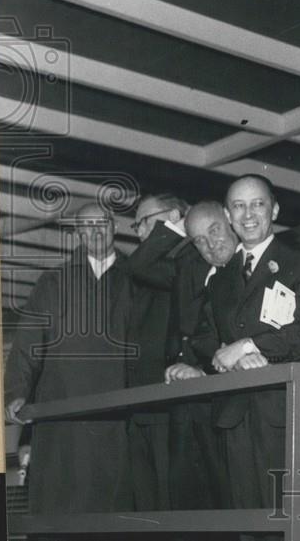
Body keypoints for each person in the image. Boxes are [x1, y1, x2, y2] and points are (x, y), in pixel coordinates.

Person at [204, 175, 300, 525]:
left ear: (273, 209)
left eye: (257, 204)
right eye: (238, 206)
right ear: (228, 215)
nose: (248, 214)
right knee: (246, 523)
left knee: (288, 522)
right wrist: (222, 357)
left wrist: (249, 346)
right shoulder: (219, 280)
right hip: (234, 413)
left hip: (285, 410)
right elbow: (208, 340)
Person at [5, 203, 134, 514]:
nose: (94, 230)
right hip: (63, 412)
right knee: (62, 506)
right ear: (77, 233)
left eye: (100, 223)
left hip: (122, 415)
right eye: (85, 225)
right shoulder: (52, 283)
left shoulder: (138, 279)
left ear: (114, 226)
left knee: (118, 508)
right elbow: (26, 344)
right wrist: (16, 393)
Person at [143, 199, 240, 514]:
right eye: (199, 239)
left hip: (231, 400)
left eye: (214, 231)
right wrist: (174, 225)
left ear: (229, 220)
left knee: (232, 497)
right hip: (188, 398)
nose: (210, 245)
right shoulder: (191, 266)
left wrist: (202, 371)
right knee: (189, 499)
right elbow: (139, 266)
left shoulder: (254, 267)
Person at [124, 192, 190, 511]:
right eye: (135, 225)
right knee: (145, 504)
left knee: (168, 501)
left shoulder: (187, 261)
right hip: (138, 402)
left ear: (174, 217)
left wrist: (174, 229)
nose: (137, 232)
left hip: (167, 403)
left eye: (143, 222)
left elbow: (139, 263)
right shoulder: (153, 268)